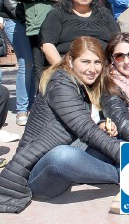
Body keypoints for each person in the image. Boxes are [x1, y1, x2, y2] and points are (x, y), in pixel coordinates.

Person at [0, 37, 120, 213]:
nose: (92, 69)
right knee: (63, 156)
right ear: (70, 61)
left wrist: (102, 124)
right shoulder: (60, 84)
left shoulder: (85, 84)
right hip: (38, 172)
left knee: (114, 143)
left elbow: (86, 124)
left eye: (97, 62)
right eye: (85, 61)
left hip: (73, 148)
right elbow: (86, 130)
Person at [0, 0, 38, 125]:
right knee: (26, 63)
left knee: (34, 64)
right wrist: (25, 16)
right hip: (16, 21)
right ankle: (22, 109)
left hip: (35, 21)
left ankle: (32, 106)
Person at [40, 0, 119, 65]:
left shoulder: (104, 14)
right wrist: (63, 71)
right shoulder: (57, 14)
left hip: (103, 67)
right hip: (68, 68)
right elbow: (47, 45)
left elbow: (117, 42)